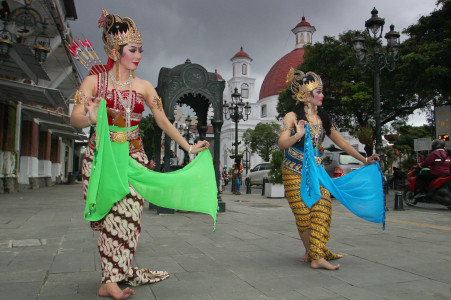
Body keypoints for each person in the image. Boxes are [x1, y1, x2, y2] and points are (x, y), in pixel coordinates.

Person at [70, 10, 211, 299]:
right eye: (133, 50)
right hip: (101, 159)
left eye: (140, 50)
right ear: (114, 50)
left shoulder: (144, 87)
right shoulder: (95, 83)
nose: (139, 55)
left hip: (133, 158)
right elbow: (74, 118)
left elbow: (163, 121)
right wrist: (92, 118)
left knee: (132, 217)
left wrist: (188, 146)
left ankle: (117, 273)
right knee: (110, 217)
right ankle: (110, 280)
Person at [278, 69, 380, 271]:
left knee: (323, 208)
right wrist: (297, 135)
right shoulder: (291, 116)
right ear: (306, 94)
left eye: (321, 91)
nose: (322, 95)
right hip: (293, 170)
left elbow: (341, 141)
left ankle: (316, 253)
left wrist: (365, 159)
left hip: (316, 171)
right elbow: (282, 144)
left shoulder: (323, 117)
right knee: (303, 215)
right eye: (318, 91)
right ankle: (314, 253)